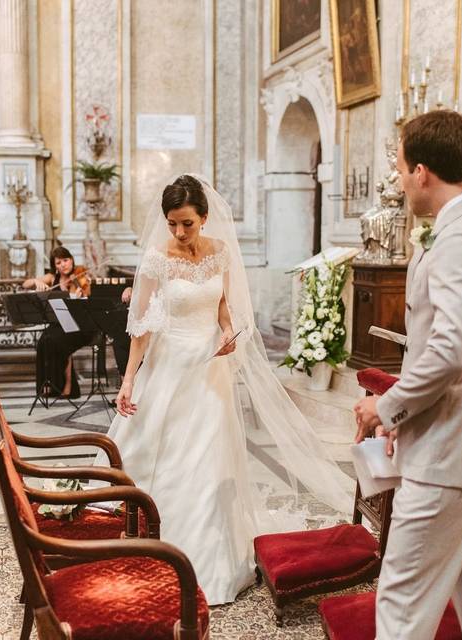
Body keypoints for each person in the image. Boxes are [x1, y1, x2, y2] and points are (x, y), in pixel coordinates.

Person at [99, 175, 356, 605]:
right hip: (168, 371)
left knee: (209, 461)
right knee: (166, 459)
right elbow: (140, 329)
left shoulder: (219, 252)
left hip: (210, 372)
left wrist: (226, 331)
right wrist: (128, 381)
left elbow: (222, 307)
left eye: (187, 224)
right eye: (172, 224)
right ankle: (156, 553)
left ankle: (211, 561)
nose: (179, 233)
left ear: (204, 217)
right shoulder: (156, 258)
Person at [353, 110, 462, 639]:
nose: (402, 182)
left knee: (402, 602)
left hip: (449, 455)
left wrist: (388, 405)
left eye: (402, 170)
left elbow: (451, 352)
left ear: (422, 171)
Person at [22, 246, 95, 399]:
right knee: (44, 340)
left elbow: (87, 293)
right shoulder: (51, 277)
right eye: (58, 263)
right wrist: (36, 281)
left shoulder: (80, 274)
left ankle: (69, 387)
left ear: (72, 259)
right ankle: (49, 384)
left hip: (81, 324)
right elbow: (25, 284)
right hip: (61, 323)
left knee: (59, 342)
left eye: (66, 260)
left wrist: (79, 293)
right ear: (55, 266)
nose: (63, 265)